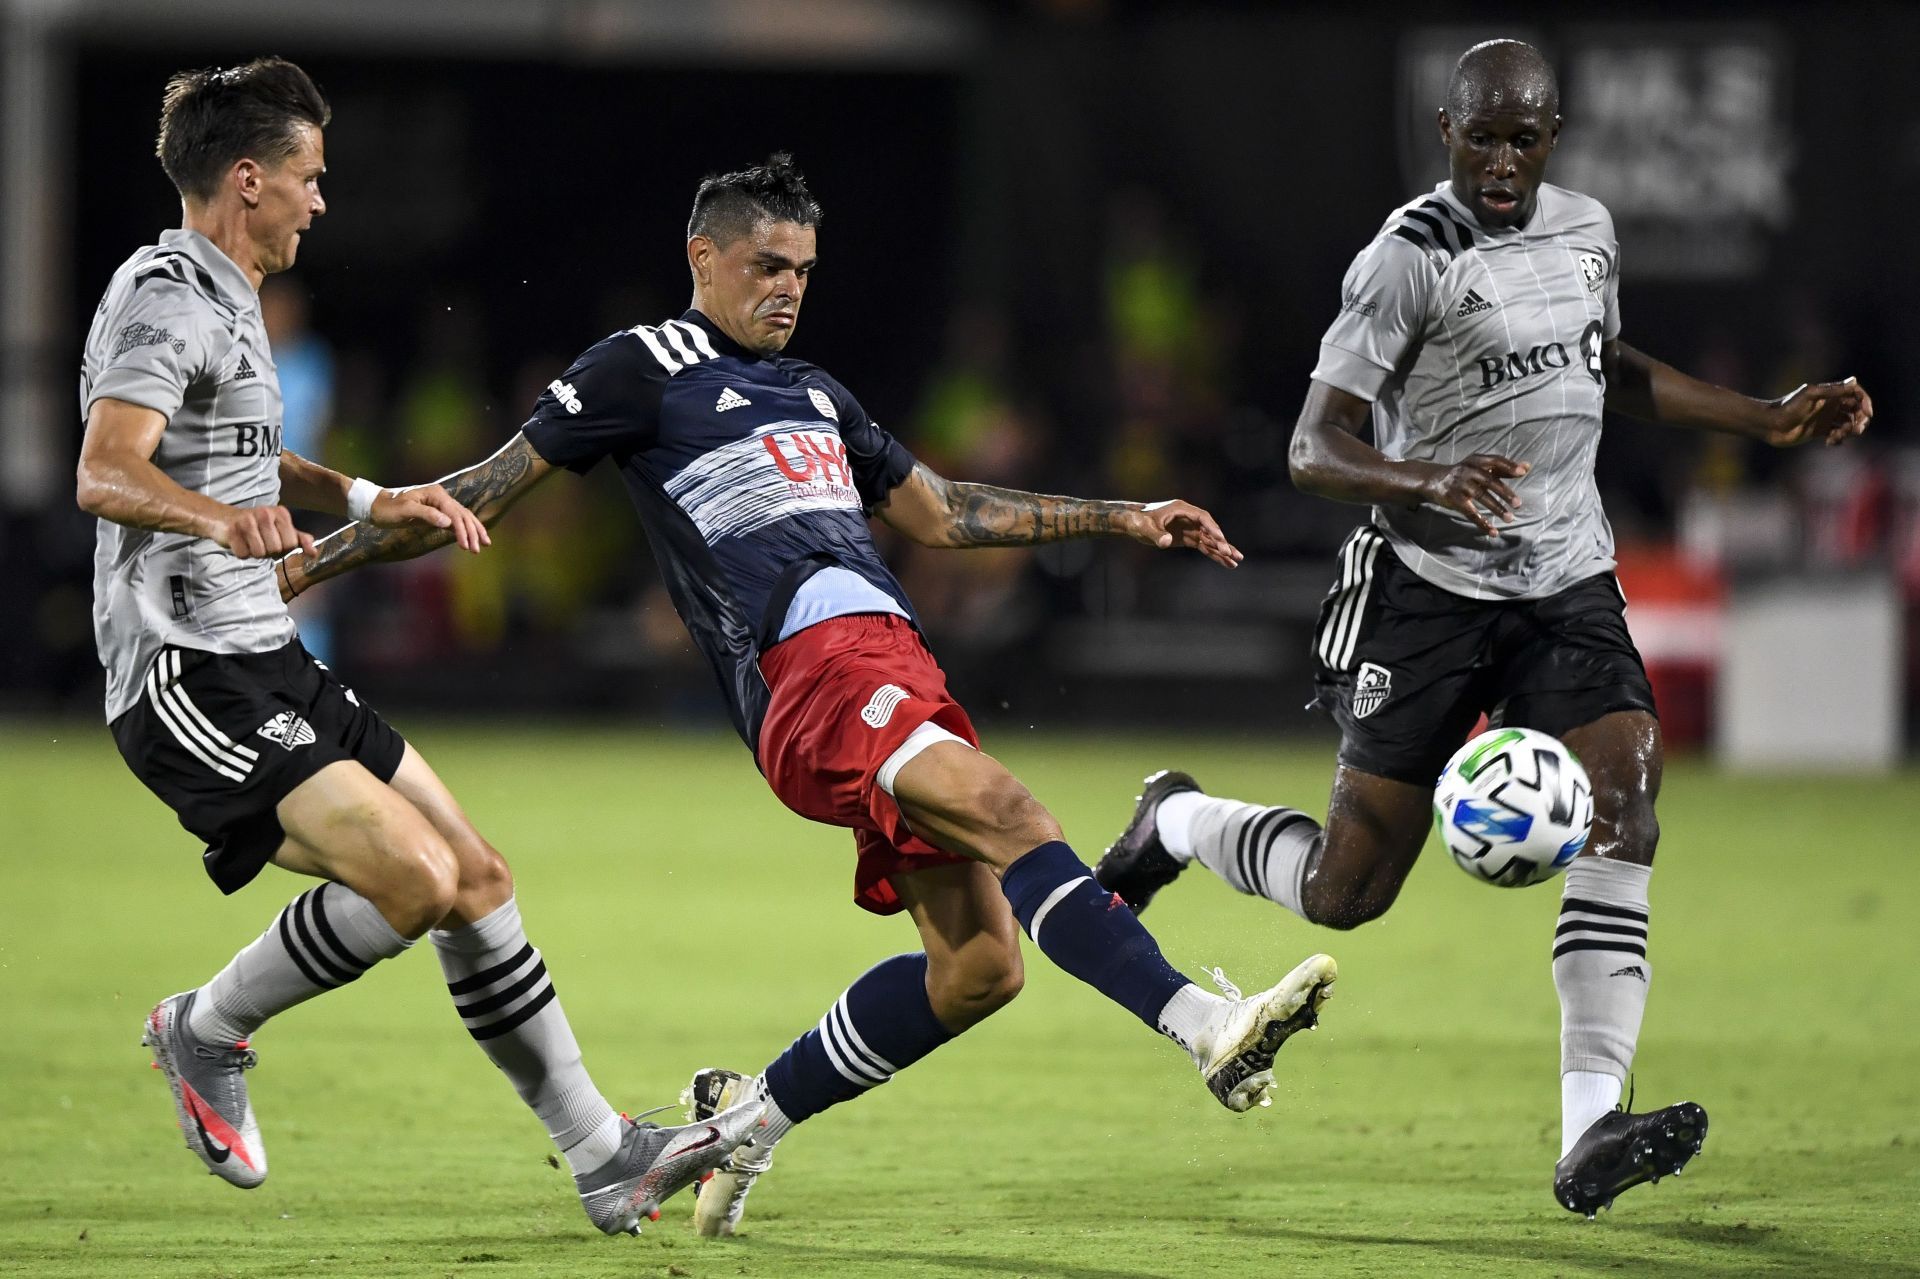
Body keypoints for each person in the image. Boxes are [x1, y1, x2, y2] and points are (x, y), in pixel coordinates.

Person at [279, 153, 1340, 1239]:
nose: (787, 288)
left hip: (893, 662)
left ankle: (740, 1126)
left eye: (803, 270)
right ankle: (1208, 1025)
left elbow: (944, 511)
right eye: (766, 265)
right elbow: (472, 493)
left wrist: (1121, 515)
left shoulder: (820, 391)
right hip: (811, 671)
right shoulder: (639, 367)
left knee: (978, 968)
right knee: (1019, 817)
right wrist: (309, 563)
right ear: (705, 257)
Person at [1092, 39, 1874, 1219]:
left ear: (1553, 135)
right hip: (1425, 586)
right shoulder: (1406, 260)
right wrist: (1426, 479)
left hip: (1565, 577)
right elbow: (1314, 445)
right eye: (1481, 137)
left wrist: (1765, 417)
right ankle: (1179, 817)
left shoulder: (1587, 229)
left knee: (1629, 806)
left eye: (1524, 138)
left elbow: (1608, 366)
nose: (1502, 161)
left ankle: (1588, 1127)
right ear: (1445, 133)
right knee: (1349, 889)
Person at [77, 57, 756, 1237]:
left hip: (266, 654)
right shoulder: (165, 294)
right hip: (186, 671)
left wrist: (365, 493)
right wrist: (216, 520)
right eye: (308, 177)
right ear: (249, 180)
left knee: (476, 877)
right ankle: (203, 1027)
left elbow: (237, 451)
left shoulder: (231, 293)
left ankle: (602, 1155)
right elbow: (105, 468)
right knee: (410, 881)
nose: (320, 200)